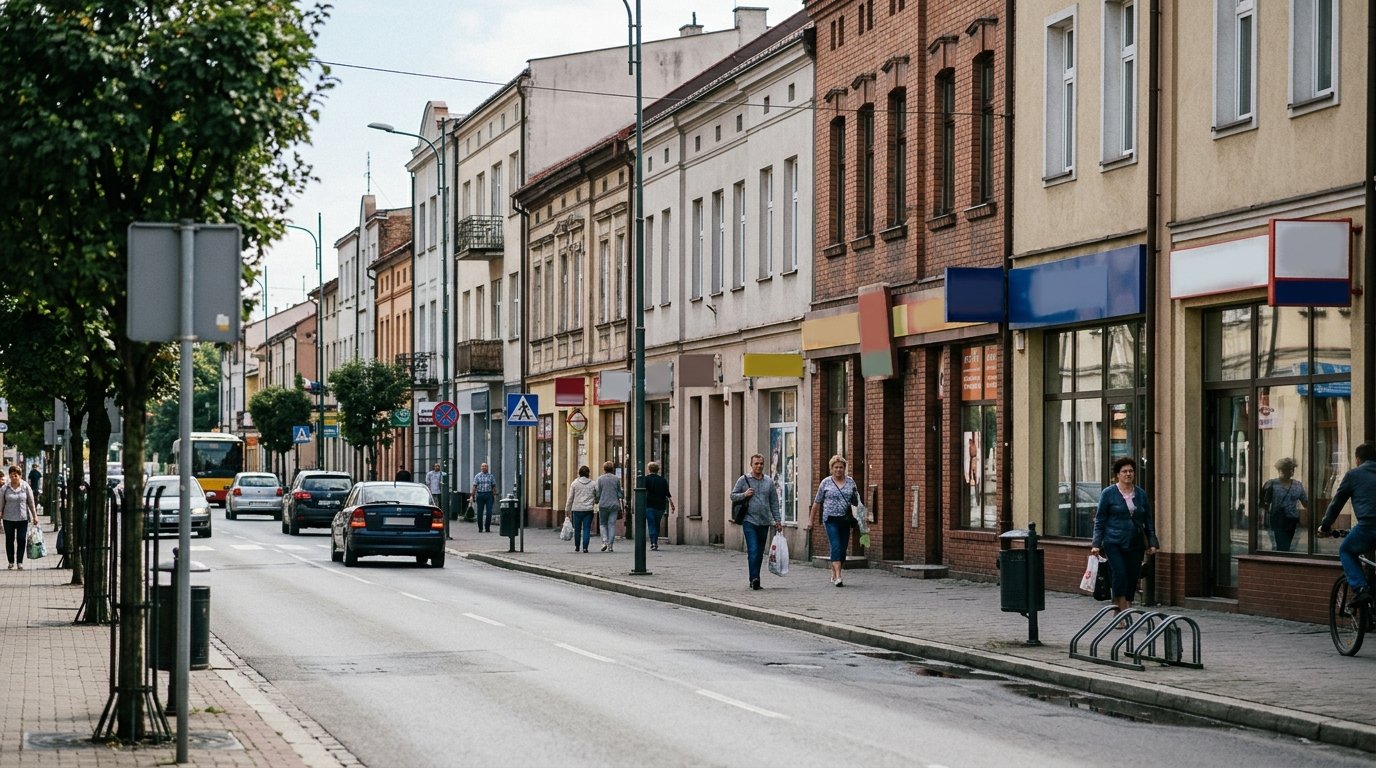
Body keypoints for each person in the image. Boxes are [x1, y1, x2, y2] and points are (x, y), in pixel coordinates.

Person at [1089, 457, 1159, 621]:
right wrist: (1096, 544)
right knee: (1120, 573)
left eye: (1131, 471)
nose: (1128, 474)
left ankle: (1126, 605)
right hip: (1114, 542)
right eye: (1124, 471)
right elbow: (1100, 520)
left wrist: (1153, 542)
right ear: (1117, 475)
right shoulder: (1109, 493)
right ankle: (1119, 611)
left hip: (1135, 542)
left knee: (1133, 575)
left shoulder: (1140, 494)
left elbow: (1148, 520)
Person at [1318, 442, 1376, 607]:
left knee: (1346, 550)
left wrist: (1325, 525)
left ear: (1358, 459)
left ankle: (1361, 588)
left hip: (1368, 527)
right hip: (1367, 527)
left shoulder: (1353, 475)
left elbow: (1337, 503)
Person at [730, 453, 783, 590]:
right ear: (751, 465)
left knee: (759, 552)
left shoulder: (769, 482)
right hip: (749, 520)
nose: (759, 466)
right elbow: (732, 496)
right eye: (756, 464)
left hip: (764, 522)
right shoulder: (743, 480)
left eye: (761, 464)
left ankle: (755, 576)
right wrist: (744, 494)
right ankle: (754, 578)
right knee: (753, 549)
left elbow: (774, 503)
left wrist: (777, 520)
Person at [809, 455, 859, 587]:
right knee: (836, 545)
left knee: (842, 549)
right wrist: (811, 520)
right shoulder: (826, 482)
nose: (838, 470)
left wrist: (861, 515)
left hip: (845, 519)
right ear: (831, 468)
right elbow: (817, 502)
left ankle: (834, 571)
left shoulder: (851, 482)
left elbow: (856, 501)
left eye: (841, 467)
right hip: (830, 519)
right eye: (836, 467)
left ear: (844, 468)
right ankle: (838, 576)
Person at [1259, 457, 1307, 552]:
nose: (1291, 471)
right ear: (1280, 470)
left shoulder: (1297, 485)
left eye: (1292, 469)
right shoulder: (1271, 484)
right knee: (1281, 545)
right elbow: (1264, 504)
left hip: (1292, 520)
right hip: (1277, 519)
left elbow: (1305, 502)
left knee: (1287, 545)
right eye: (1288, 469)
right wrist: (1263, 519)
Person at [3, 465, 39, 570]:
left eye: (16, 475)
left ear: (20, 475)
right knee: (9, 540)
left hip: (22, 518)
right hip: (8, 518)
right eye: (12, 475)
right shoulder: (5, 488)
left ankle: (19, 561)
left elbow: (31, 502)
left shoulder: (25, 487)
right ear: (9, 476)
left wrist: (35, 516)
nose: (14, 477)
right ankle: (10, 561)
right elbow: (1, 502)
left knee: (21, 539)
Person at [643, 461, 674, 551]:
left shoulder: (645, 479)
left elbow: (643, 492)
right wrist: (671, 503)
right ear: (658, 470)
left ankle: (653, 542)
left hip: (649, 505)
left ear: (648, 469)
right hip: (660, 506)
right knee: (657, 524)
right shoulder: (662, 480)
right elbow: (667, 493)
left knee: (651, 524)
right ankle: (655, 541)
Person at [566, 465, 597, 554]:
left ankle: (577, 546)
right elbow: (596, 495)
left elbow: (570, 498)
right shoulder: (593, 484)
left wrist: (567, 509)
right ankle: (585, 548)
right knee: (587, 529)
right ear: (588, 473)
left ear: (579, 473)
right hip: (588, 510)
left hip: (577, 509)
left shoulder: (574, 483)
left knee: (577, 529)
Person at [594, 461, 623, 552]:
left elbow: (598, 492)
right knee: (612, 525)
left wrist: (596, 500)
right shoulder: (616, 479)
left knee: (603, 524)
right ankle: (610, 545)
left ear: (604, 469)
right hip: (614, 505)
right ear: (612, 468)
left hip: (603, 504)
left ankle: (604, 542)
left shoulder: (600, 479)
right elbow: (620, 493)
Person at [471, 462, 496, 533]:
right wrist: (472, 495)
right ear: (480, 468)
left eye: (485, 466)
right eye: (482, 466)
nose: (484, 468)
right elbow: (474, 486)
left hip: (489, 495)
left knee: (489, 512)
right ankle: (480, 528)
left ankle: (487, 527)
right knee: (480, 512)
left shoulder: (491, 476)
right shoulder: (477, 476)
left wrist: (494, 494)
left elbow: (493, 486)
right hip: (480, 495)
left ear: (487, 468)